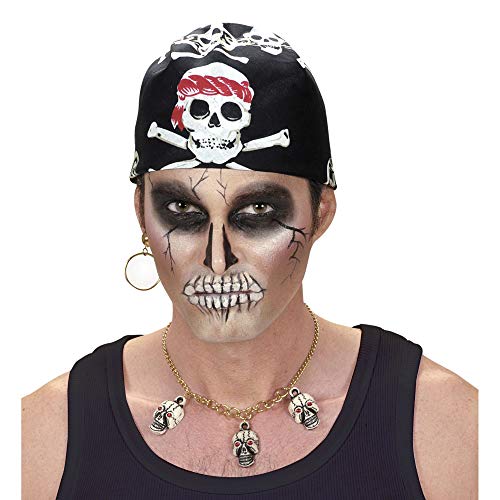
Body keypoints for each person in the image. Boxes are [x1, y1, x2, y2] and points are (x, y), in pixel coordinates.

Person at [22, 22, 477, 499]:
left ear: (320, 213)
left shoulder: (445, 426)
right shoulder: (44, 438)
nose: (218, 260)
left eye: (258, 211)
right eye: (182, 210)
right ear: (141, 212)